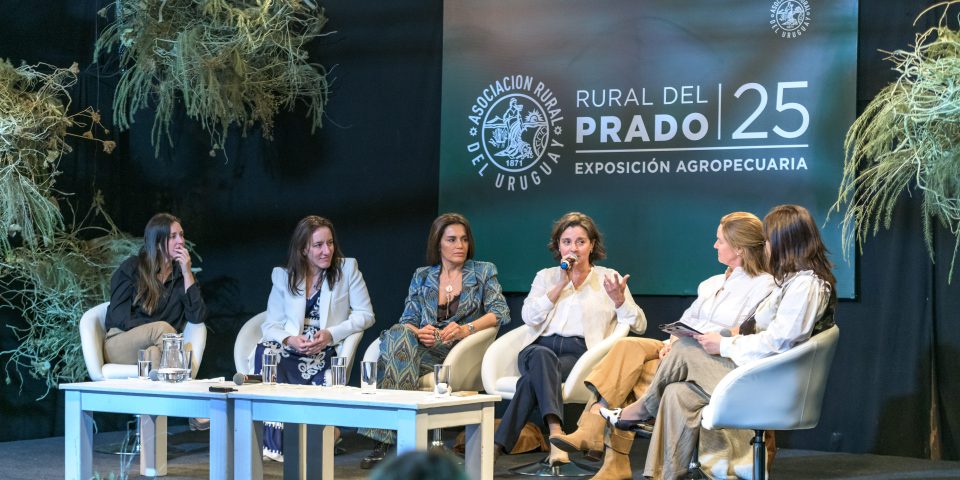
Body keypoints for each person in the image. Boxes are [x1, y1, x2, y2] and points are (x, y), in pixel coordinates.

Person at [603, 205, 837, 479]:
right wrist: (721, 337)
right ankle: (665, 475)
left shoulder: (807, 285)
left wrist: (723, 345)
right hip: (754, 372)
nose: (765, 246)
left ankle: (641, 410)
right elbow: (754, 329)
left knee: (686, 348)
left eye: (769, 239)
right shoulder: (791, 281)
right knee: (677, 392)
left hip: (770, 383)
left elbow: (780, 342)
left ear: (785, 241)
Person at [550, 212, 774, 479]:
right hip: (682, 347)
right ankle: (593, 431)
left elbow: (744, 331)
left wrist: (686, 344)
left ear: (739, 248)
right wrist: (675, 342)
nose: (715, 245)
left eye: (720, 240)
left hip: (713, 357)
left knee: (634, 374)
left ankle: (607, 448)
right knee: (627, 347)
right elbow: (687, 320)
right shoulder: (712, 283)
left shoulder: (763, 285)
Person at [493, 211, 647, 466]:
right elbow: (529, 317)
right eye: (566, 242)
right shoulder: (545, 277)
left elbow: (640, 325)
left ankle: (498, 445)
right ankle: (556, 434)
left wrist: (620, 301)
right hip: (537, 348)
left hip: (578, 356)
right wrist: (559, 285)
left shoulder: (608, 277)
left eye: (580, 242)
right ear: (558, 246)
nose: (573, 248)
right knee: (542, 357)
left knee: (531, 380)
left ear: (592, 245)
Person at [358, 213, 511, 469]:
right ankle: (399, 441)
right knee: (399, 333)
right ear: (438, 243)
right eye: (452, 239)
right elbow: (408, 319)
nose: (460, 245)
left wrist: (465, 330)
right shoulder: (422, 276)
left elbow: (500, 312)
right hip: (420, 348)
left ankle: (386, 442)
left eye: (464, 239)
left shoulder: (483, 271)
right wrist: (419, 332)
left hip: (458, 353)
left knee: (393, 357)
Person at [254, 215, 375, 462]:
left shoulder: (347, 269)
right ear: (303, 249)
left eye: (330, 243)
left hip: (325, 349)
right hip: (293, 347)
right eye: (318, 245)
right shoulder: (283, 276)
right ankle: (277, 442)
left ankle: (295, 442)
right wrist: (289, 339)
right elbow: (270, 325)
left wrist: (331, 334)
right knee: (265, 351)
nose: (326, 250)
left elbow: (366, 315)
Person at [104, 213, 207, 370]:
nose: (181, 241)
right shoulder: (132, 268)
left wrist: (187, 273)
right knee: (162, 330)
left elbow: (197, 317)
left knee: (154, 353)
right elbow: (118, 317)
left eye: (181, 235)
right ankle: (183, 376)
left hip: (157, 345)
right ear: (158, 242)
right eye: (173, 236)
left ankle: (166, 384)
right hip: (120, 342)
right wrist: (153, 329)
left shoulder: (181, 277)